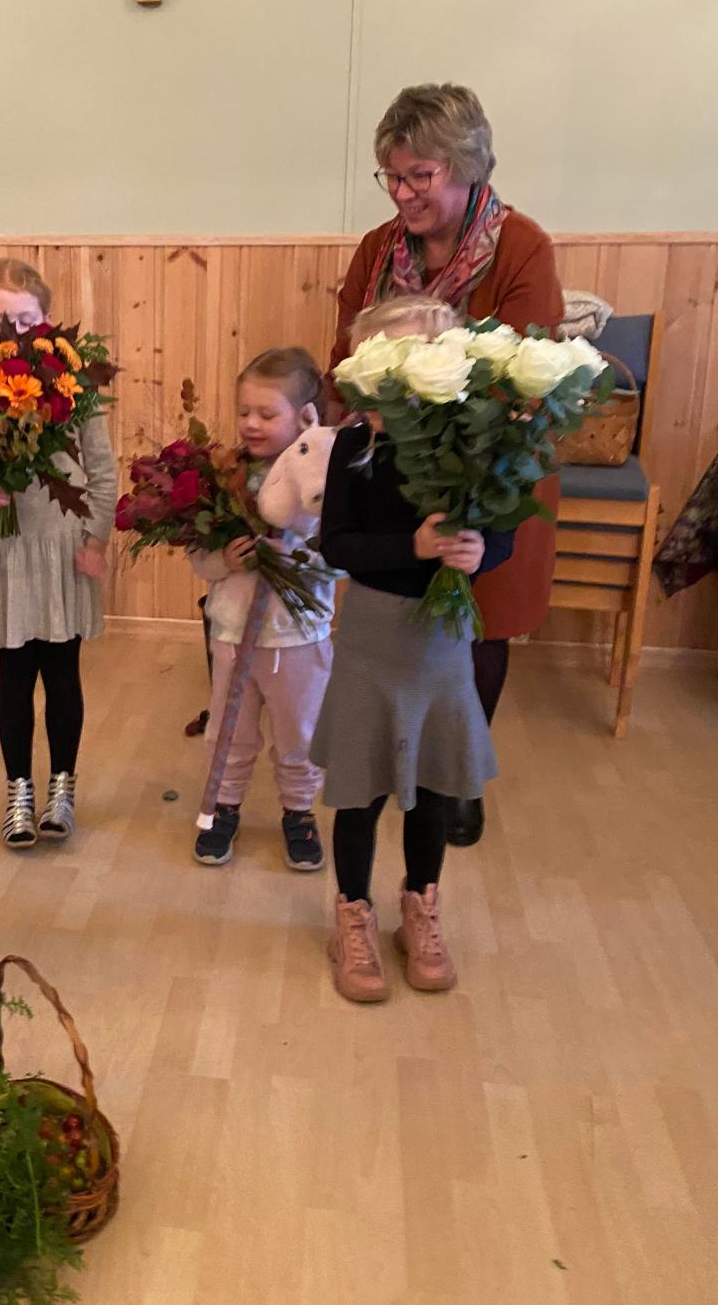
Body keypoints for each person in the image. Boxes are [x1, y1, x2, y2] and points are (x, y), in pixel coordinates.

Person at [332, 83, 564, 847]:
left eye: (419, 175)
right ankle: (389, 761)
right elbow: (347, 354)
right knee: (399, 612)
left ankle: (454, 775)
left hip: (491, 459)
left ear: (468, 167)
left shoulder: (521, 246)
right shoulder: (377, 249)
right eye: (392, 177)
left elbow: (527, 363)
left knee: (482, 610)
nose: (403, 193)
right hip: (394, 461)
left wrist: (458, 447)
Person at [314, 297, 514, 1003]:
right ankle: (353, 914)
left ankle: (420, 907)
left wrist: (479, 549)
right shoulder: (353, 444)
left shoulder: (470, 445)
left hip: (441, 641)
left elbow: (504, 532)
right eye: (392, 360)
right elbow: (335, 543)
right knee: (361, 790)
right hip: (373, 634)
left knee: (432, 787)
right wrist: (415, 546)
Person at [0, 259, 117, 849]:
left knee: (63, 673)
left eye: (26, 319)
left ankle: (62, 790)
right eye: (0, 321)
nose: (14, 332)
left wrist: (96, 540)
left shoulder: (77, 389)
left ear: (46, 322)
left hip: (64, 548)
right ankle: (19, 791)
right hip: (9, 550)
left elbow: (102, 474)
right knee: (14, 676)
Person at [190, 348, 339, 872]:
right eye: (244, 411)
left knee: (298, 732)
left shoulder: (322, 477)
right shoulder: (223, 477)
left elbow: (341, 560)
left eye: (267, 414)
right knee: (229, 731)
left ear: (304, 417)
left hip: (299, 638)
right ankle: (221, 808)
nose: (251, 423)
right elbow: (198, 558)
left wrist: (296, 555)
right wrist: (224, 561)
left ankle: (299, 812)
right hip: (233, 632)